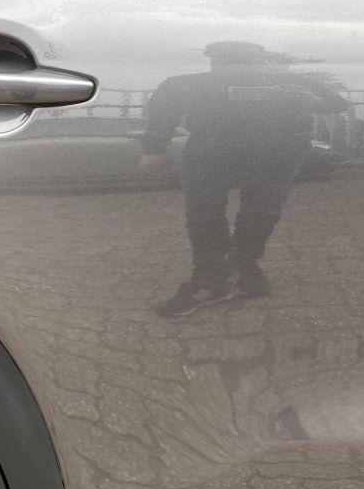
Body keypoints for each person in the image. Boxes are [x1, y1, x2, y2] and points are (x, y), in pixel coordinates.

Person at [140, 41, 347, 317]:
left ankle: (216, 277)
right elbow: (338, 103)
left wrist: (154, 150)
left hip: (214, 151)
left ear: (213, 61)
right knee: (260, 210)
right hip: (275, 153)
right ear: (258, 60)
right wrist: (312, 102)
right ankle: (243, 270)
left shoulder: (185, 83)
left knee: (206, 213)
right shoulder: (293, 81)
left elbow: (162, 114)